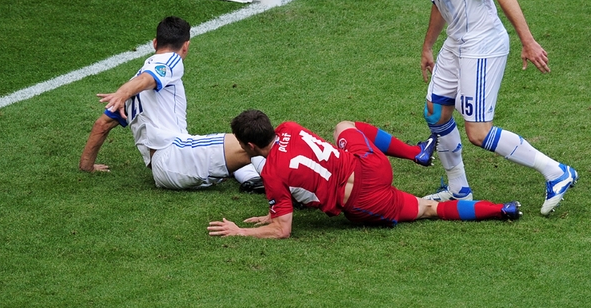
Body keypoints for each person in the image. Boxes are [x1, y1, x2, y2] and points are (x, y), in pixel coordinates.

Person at [390, 0, 577, 215]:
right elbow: (440, 2)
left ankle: (557, 172)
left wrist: (528, 42)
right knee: (436, 112)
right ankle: (458, 189)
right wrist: (427, 46)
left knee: (478, 132)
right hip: (458, 39)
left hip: (482, 43)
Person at [207, 110, 520, 239]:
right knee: (346, 126)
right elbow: (303, 160)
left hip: (364, 199)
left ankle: (501, 210)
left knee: (431, 207)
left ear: (250, 145)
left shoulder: (273, 172)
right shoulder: (290, 127)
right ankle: (416, 153)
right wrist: (273, 210)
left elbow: (283, 230)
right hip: (369, 164)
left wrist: (241, 231)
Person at [79, 16, 264, 192]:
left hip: (161, 171)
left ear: (154, 43)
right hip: (176, 155)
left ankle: (250, 179)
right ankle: (292, 188)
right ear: (186, 46)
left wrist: (87, 166)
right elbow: (148, 78)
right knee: (259, 141)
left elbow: (101, 125)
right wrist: (122, 93)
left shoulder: (132, 83)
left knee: (230, 150)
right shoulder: (169, 61)